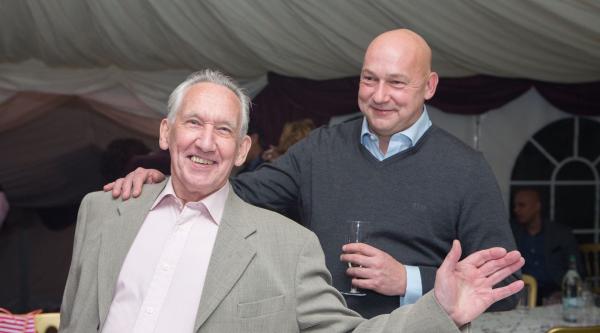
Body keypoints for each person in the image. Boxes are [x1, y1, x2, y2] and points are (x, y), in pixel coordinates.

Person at [61, 69, 524, 332]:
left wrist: (438, 310)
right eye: (193, 124)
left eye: (224, 130)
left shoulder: (288, 248)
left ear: (243, 150)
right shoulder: (102, 212)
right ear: (166, 132)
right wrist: (156, 178)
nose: (206, 142)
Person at [511, 188, 580, 304]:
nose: (516, 210)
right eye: (515, 205)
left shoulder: (561, 234)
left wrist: (564, 293)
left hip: (554, 292)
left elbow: (576, 269)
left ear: (537, 206)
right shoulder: (513, 232)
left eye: (521, 205)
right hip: (523, 292)